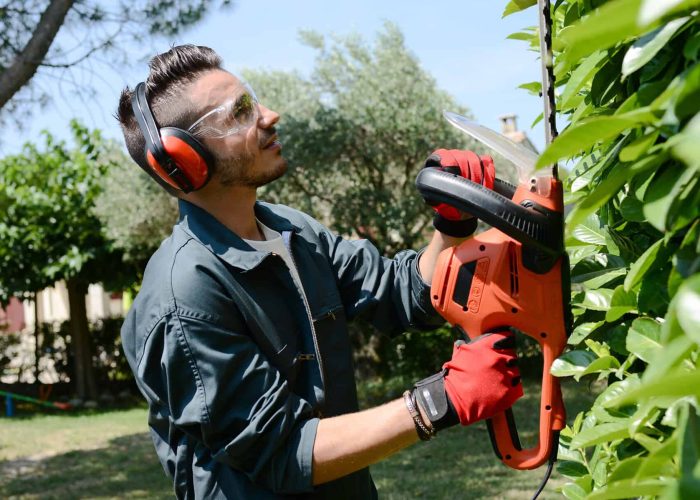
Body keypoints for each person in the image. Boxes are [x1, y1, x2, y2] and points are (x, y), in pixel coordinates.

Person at [117, 44, 522, 499]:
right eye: (241, 111)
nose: (270, 115)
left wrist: (452, 222)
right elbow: (286, 451)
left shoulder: (293, 231)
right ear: (183, 159)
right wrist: (436, 402)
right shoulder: (184, 295)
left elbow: (402, 292)